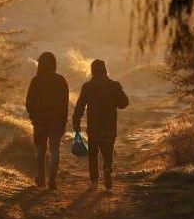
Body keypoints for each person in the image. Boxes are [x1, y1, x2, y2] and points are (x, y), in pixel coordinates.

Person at [72, 59, 129, 190]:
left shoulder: (87, 86)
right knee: (108, 152)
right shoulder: (114, 85)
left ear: (92, 71)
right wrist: (114, 102)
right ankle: (107, 168)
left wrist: (76, 123)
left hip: (93, 127)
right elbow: (125, 102)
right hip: (109, 126)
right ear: (105, 70)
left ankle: (94, 181)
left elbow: (79, 106)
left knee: (93, 154)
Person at [25, 51, 69, 190]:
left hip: (40, 121)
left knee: (40, 149)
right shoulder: (61, 80)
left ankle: (40, 178)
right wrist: (63, 120)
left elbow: (29, 102)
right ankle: (52, 181)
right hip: (56, 121)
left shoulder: (36, 80)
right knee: (55, 149)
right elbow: (65, 103)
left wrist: (33, 118)